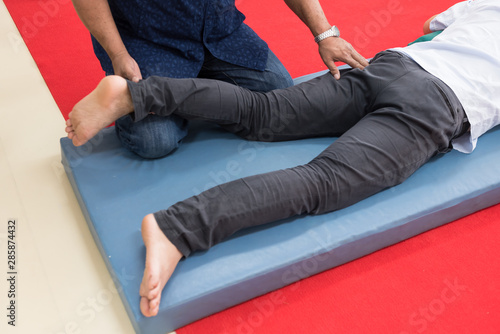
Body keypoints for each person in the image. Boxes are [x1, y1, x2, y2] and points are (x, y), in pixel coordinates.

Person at [65, 0, 500, 318]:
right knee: (322, 182)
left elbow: (432, 24)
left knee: (266, 110)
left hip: (395, 65)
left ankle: (138, 95)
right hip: (435, 106)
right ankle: (179, 228)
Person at [72, 0, 368, 158]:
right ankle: (126, 95)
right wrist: (118, 54)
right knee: (154, 141)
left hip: (217, 28)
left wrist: (325, 34)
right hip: (147, 40)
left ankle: (183, 91)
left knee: (277, 94)